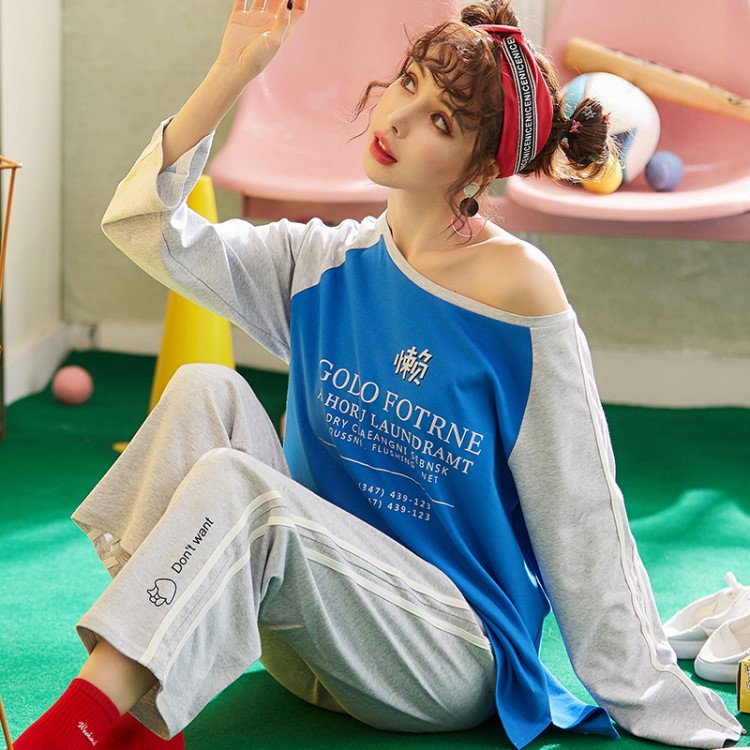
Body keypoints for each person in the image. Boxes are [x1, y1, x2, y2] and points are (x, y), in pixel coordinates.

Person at [15, 1, 744, 749]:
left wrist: (652, 695)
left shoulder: (518, 289)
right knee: (206, 390)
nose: (397, 118)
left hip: (443, 655)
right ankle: (136, 707)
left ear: (480, 166)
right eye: (409, 82)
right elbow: (149, 230)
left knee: (243, 487)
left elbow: (581, 510)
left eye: (441, 121)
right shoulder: (321, 263)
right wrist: (232, 71)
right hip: (314, 637)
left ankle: (80, 728)